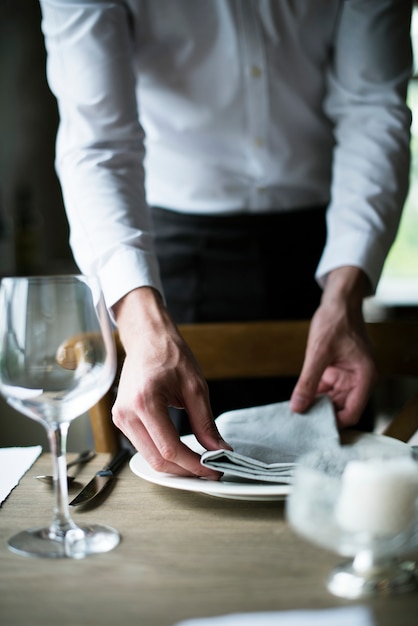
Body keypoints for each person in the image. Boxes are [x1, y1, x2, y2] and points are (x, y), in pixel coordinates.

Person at [39, 1, 412, 478]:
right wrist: (142, 327)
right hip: (165, 264)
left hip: (323, 258)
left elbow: (373, 109)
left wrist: (346, 292)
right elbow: (98, 143)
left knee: (333, 487)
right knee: (173, 483)